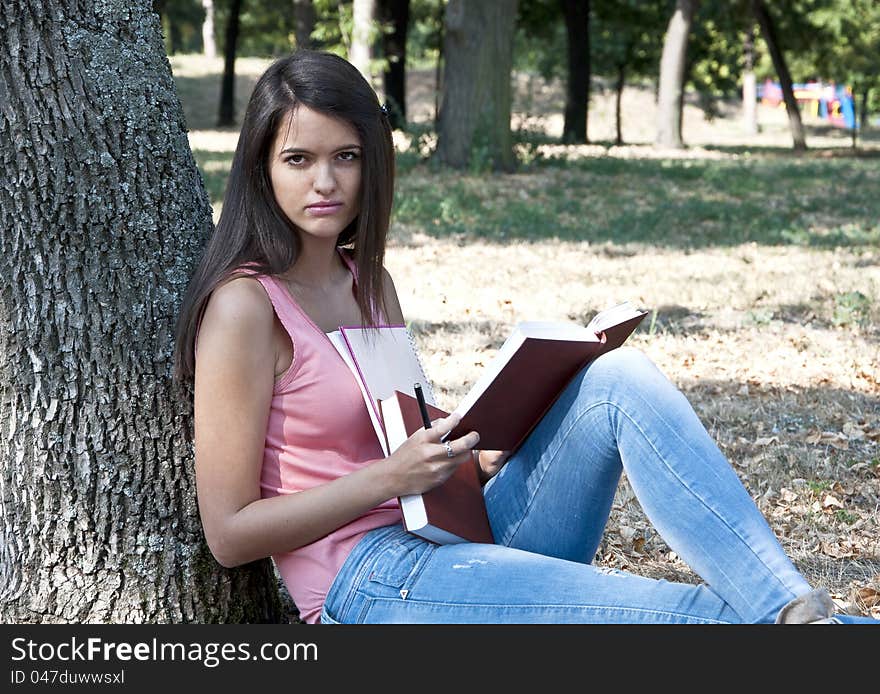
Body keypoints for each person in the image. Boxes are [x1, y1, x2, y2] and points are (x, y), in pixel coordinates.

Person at [173, 49, 875, 626]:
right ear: (262, 168)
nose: (324, 181)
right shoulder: (246, 306)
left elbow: (394, 432)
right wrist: (388, 479)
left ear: (372, 163)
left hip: (457, 533)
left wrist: (471, 440)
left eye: (346, 157)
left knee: (612, 382)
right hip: (371, 583)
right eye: (298, 159)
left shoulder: (370, 284)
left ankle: (790, 610)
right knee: (694, 617)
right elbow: (230, 534)